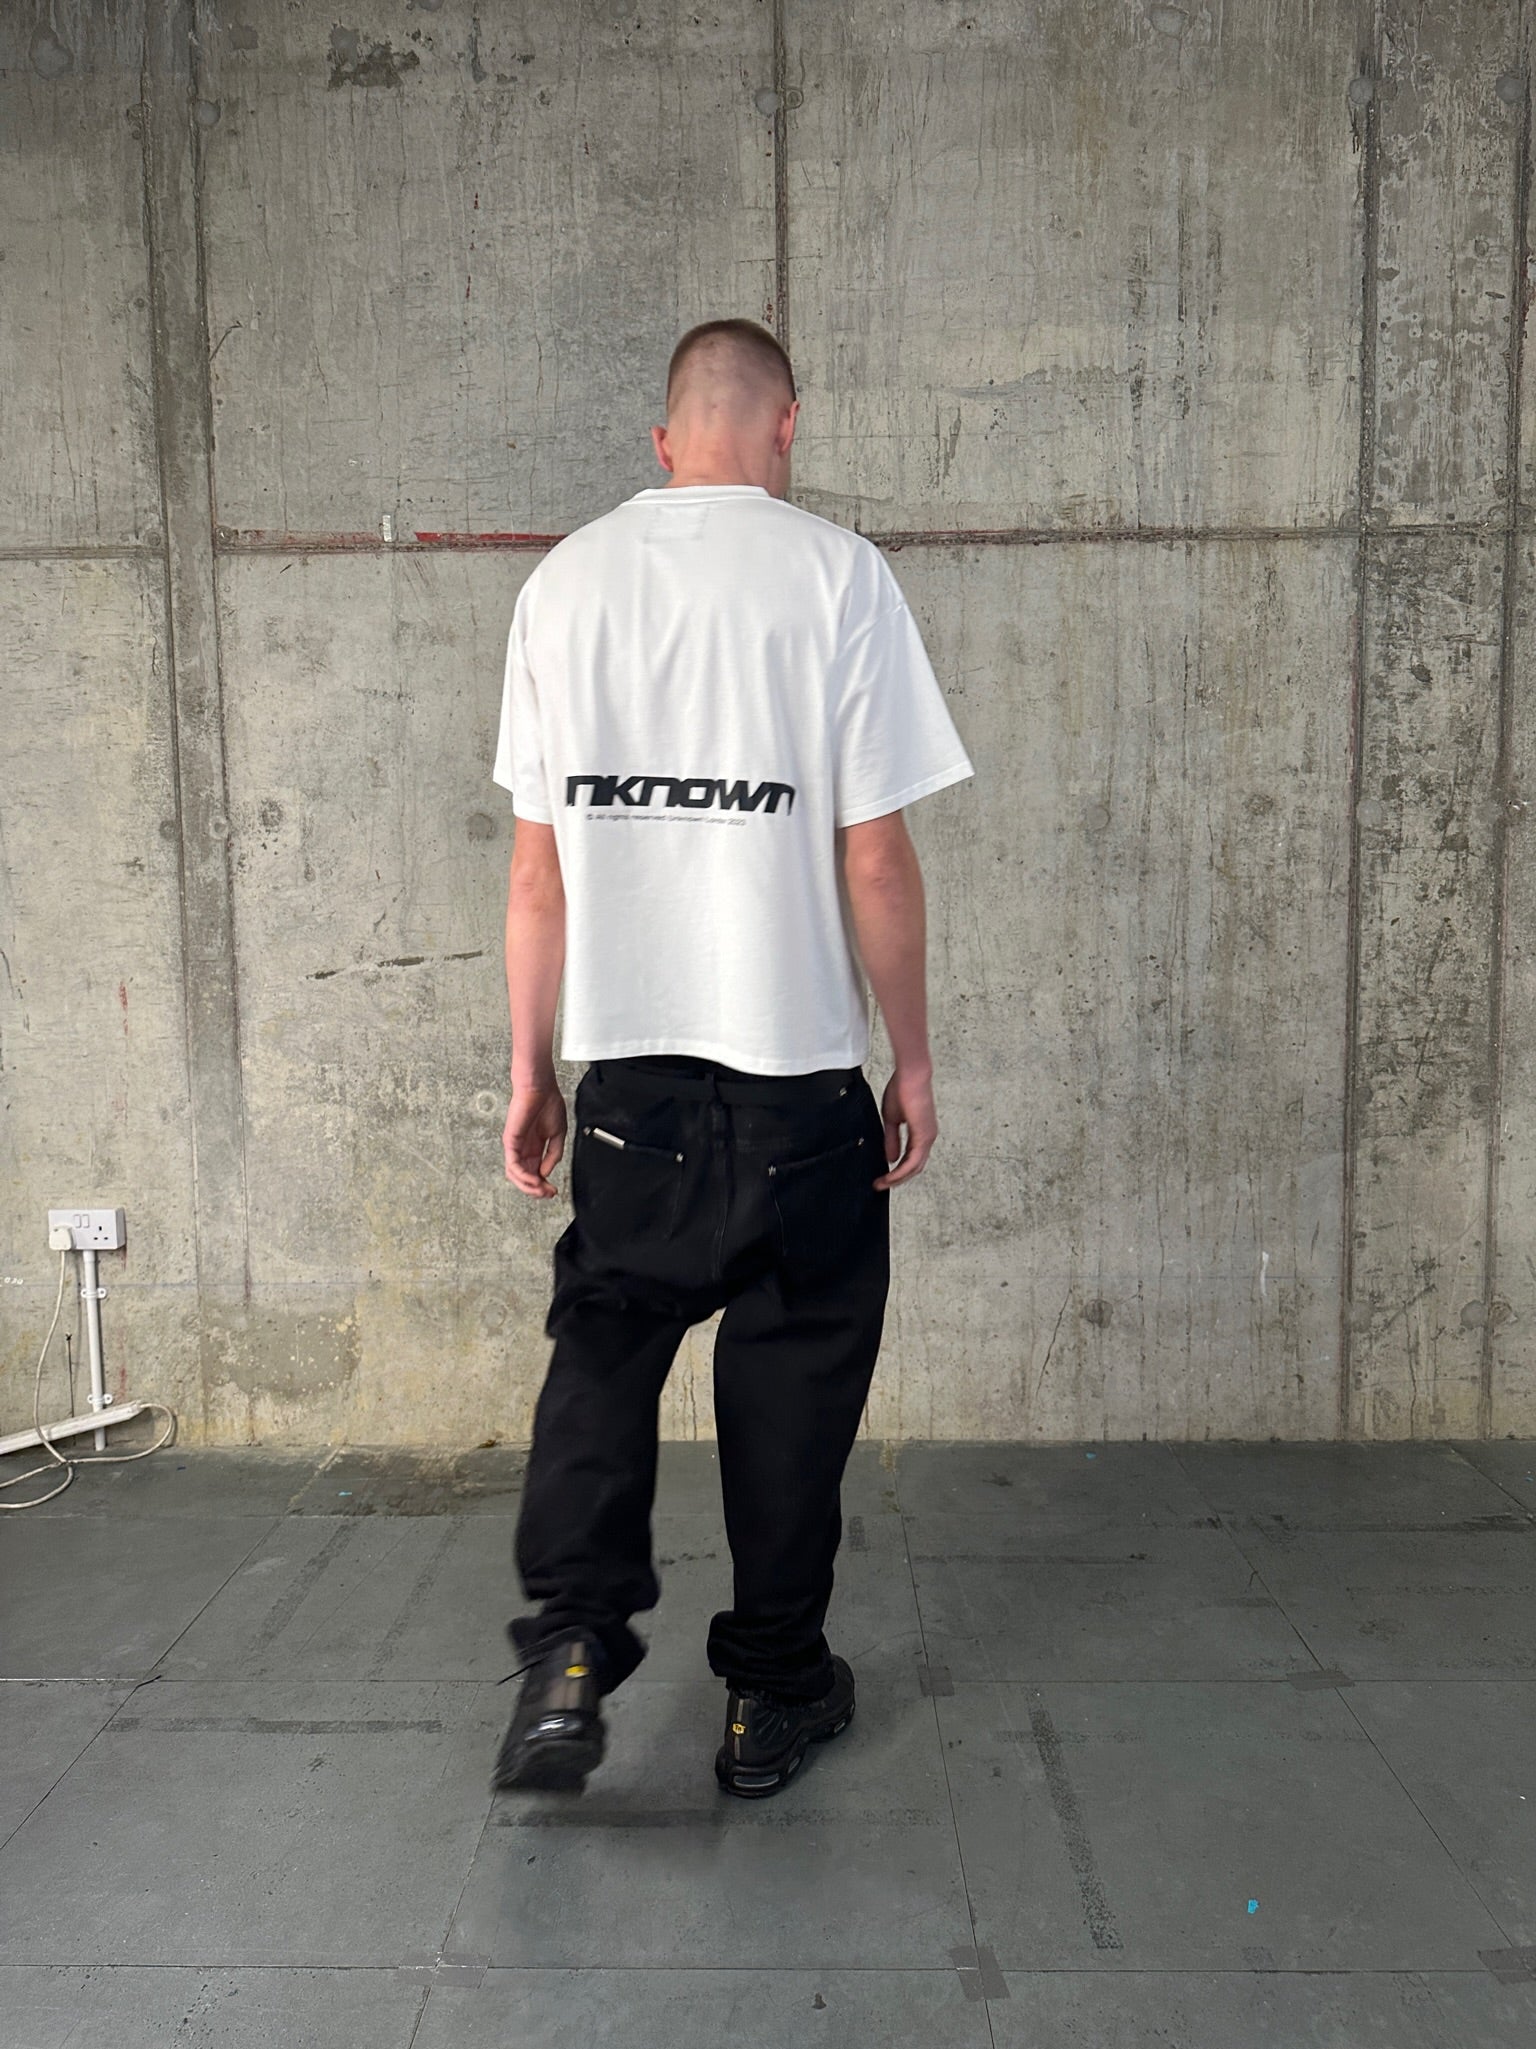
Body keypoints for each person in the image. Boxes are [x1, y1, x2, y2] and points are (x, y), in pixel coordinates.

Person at [488, 318, 973, 1799]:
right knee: (794, 1379)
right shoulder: (838, 577)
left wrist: (532, 1070)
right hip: (798, 1082)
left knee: (604, 1346)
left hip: (631, 1083)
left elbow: (536, 875)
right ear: (787, 425)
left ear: (662, 439)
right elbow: (875, 855)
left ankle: (571, 1646)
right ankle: (769, 1693)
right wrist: (913, 1059)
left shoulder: (565, 586)